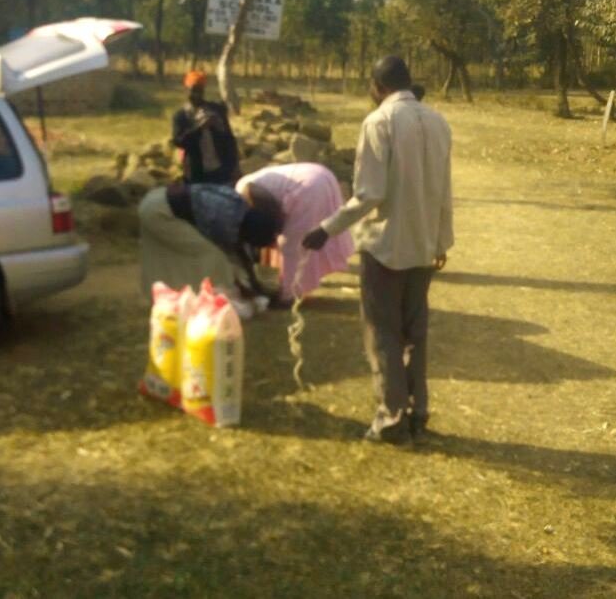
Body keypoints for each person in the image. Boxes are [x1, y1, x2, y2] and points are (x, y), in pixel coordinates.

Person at [303, 56, 453, 445]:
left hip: (385, 247)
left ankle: (390, 420)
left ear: (377, 86)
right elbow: (444, 192)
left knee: (383, 332)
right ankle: (417, 411)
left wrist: (326, 229)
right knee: (414, 333)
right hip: (422, 246)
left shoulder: (378, 122)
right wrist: (441, 241)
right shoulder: (438, 122)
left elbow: (370, 194)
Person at [138, 182, 280, 306]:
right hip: (159, 212)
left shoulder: (239, 207)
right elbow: (233, 255)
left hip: (157, 197)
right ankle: (220, 298)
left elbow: (241, 252)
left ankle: (177, 297)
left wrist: (255, 285)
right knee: (210, 255)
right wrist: (250, 288)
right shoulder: (226, 223)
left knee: (196, 252)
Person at [236, 163, 354, 306]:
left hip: (308, 186)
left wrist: (277, 233)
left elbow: (271, 213)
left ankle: (288, 295)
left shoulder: (244, 191)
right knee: (307, 237)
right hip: (321, 175)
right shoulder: (246, 186)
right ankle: (292, 288)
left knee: (292, 245)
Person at [172, 70, 240, 185]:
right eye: (193, 91)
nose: (196, 95)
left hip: (220, 170)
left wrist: (234, 166)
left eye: (199, 91)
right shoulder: (181, 116)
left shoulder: (216, 110)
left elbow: (229, 139)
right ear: (186, 90)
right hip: (196, 173)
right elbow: (179, 141)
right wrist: (200, 128)